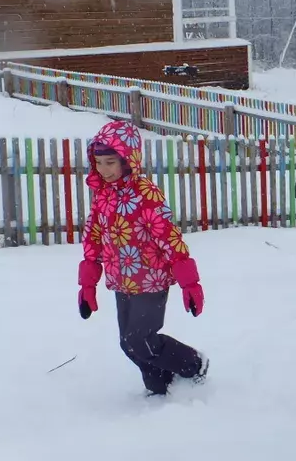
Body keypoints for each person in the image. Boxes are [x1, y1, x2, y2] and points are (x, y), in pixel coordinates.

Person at [77, 119, 209, 396]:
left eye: (111, 162)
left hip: (150, 278)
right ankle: (159, 388)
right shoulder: (103, 196)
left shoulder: (145, 194)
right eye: (99, 163)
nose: (104, 170)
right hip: (120, 279)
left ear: (128, 160)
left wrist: (190, 283)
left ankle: (194, 364)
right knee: (128, 344)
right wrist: (87, 284)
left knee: (140, 341)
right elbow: (93, 238)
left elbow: (169, 237)